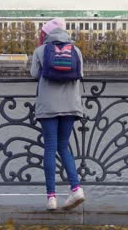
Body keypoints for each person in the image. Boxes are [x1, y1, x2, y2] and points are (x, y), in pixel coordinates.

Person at [30, 18, 85, 211]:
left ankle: (51, 197)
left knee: (50, 148)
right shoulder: (76, 51)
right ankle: (76, 188)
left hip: (48, 107)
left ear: (45, 34)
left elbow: (34, 74)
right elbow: (81, 75)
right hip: (71, 106)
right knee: (64, 146)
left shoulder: (40, 51)